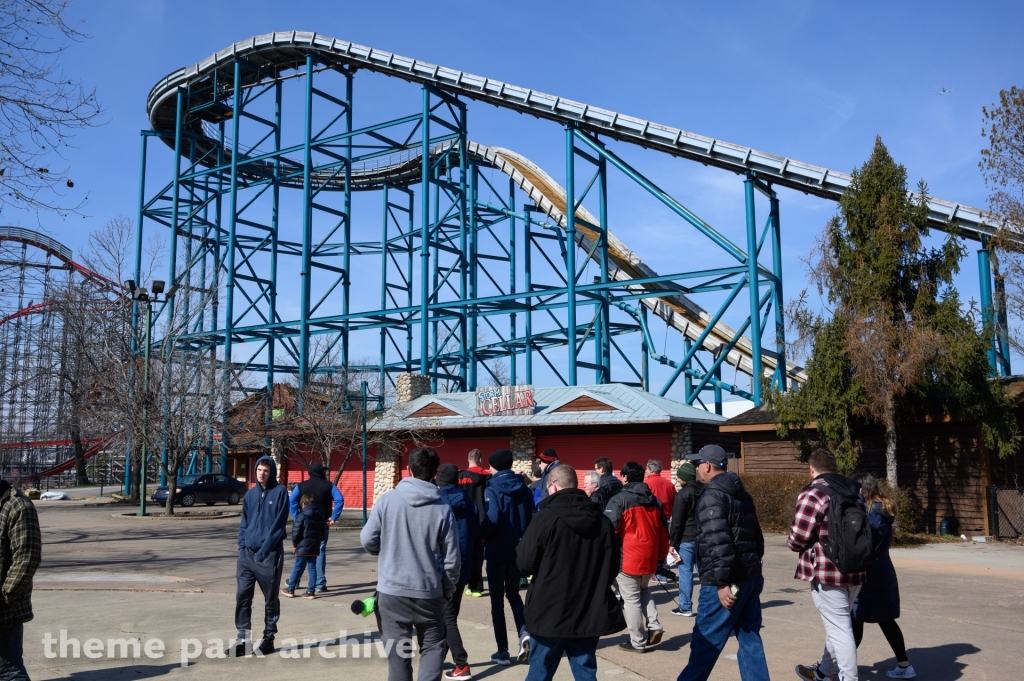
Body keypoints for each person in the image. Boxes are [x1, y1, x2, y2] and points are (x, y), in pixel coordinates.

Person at [517, 465, 626, 681]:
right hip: (588, 609)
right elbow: (613, 566)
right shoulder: (602, 522)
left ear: (554, 486)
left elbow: (524, 562)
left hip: (550, 610)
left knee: (540, 671)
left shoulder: (544, 519)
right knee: (585, 671)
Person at [360, 447, 460, 681]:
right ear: (435, 472)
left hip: (392, 591)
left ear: (408, 470)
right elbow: (453, 559)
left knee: (398, 658)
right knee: (433, 648)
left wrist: (383, 550)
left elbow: (367, 539)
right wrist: (447, 590)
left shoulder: (387, 500)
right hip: (430, 592)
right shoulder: (443, 509)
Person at [677, 445, 768, 681]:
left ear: (708, 465)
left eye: (698, 463)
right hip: (748, 576)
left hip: (725, 580)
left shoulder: (712, 496)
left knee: (705, 641)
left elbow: (718, 541)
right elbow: (757, 539)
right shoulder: (742, 493)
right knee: (750, 638)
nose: (696, 468)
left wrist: (720, 583)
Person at [790, 449, 868, 681]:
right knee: (840, 623)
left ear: (812, 469)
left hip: (827, 570)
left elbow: (798, 538)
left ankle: (848, 678)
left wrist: (792, 542)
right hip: (857, 568)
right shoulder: (856, 493)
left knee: (840, 628)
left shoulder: (813, 493)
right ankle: (824, 672)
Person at [850, 473, 916, 679]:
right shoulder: (881, 509)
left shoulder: (872, 514)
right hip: (881, 569)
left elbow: (862, 544)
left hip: (871, 572)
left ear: (862, 490)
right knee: (883, 620)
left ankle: (839, 666)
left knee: (856, 618)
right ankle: (904, 665)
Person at [603, 461, 668, 653]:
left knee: (631, 599)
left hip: (628, 558)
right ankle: (654, 625)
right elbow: (664, 531)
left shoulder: (619, 499)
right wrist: (662, 555)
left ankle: (637, 641)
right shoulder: (654, 500)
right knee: (644, 591)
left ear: (624, 477)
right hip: (649, 557)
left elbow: (608, 528)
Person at [233, 456, 289, 656]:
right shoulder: (250, 495)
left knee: (270, 599)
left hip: (269, 556)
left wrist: (265, 551)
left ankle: (268, 638)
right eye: (259, 470)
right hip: (247, 556)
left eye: (265, 470)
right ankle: (243, 639)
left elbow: (278, 525)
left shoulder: (280, 492)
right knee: (242, 596)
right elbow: (244, 523)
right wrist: (242, 546)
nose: (261, 473)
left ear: (271, 472)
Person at [482, 448, 534, 665]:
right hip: (518, 551)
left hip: (496, 551)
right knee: (514, 594)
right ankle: (524, 633)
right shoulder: (525, 488)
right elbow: (532, 517)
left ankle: (502, 651)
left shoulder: (492, 488)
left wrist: (482, 533)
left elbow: (492, 519)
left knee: (496, 602)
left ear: (494, 466)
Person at [437, 463, 482, 680]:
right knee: (450, 615)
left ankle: (461, 663)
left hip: (443, 568)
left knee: (447, 618)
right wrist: (474, 573)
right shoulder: (471, 504)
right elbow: (476, 540)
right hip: (463, 567)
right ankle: (438, 657)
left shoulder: (437, 503)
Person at [0, 477, 41, 681]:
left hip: (4, 609)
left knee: (7, 670)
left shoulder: (18, 506)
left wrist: (7, 597)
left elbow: (27, 557)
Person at [288, 462, 344, 593]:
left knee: (303, 551)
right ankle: (320, 583)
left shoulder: (301, 486)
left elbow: (292, 501)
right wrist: (333, 517)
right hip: (322, 524)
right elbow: (339, 499)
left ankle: (294, 582)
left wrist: (297, 517)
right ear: (321, 472)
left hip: (304, 524)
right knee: (320, 551)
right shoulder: (329, 485)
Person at [668, 461, 703, 617]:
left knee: (685, 572)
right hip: (702, 536)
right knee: (705, 572)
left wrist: (672, 543)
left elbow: (677, 522)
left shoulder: (682, 495)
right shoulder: (705, 491)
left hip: (686, 538)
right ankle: (713, 604)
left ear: (683, 478)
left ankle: (685, 606)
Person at [458, 449, 491, 598]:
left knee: (464, 553)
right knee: (479, 555)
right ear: (480, 460)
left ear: (468, 459)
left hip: (465, 519)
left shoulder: (461, 477)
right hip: (484, 519)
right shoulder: (488, 477)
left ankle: (462, 582)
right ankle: (476, 588)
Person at [282, 494, 324, 599]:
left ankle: (290, 588)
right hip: (314, 546)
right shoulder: (319, 516)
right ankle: (310, 591)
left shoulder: (302, 516)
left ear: (303, 504)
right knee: (312, 568)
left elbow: (296, 532)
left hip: (302, 546)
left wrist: (295, 544)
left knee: (297, 567)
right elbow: (323, 533)